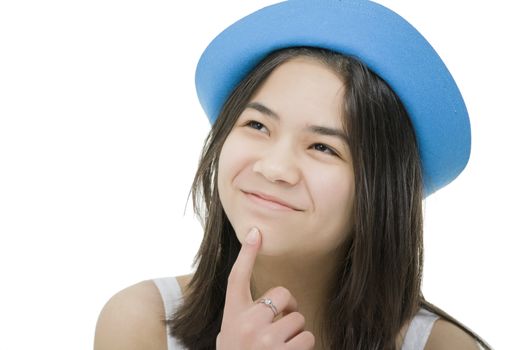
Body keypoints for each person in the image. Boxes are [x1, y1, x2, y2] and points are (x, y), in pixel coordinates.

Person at [94, 1, 491, 349]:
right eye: (257, 126)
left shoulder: (441, 346)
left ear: (380, 191)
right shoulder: (141, 324)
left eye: (323, 147)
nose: (274, 168)